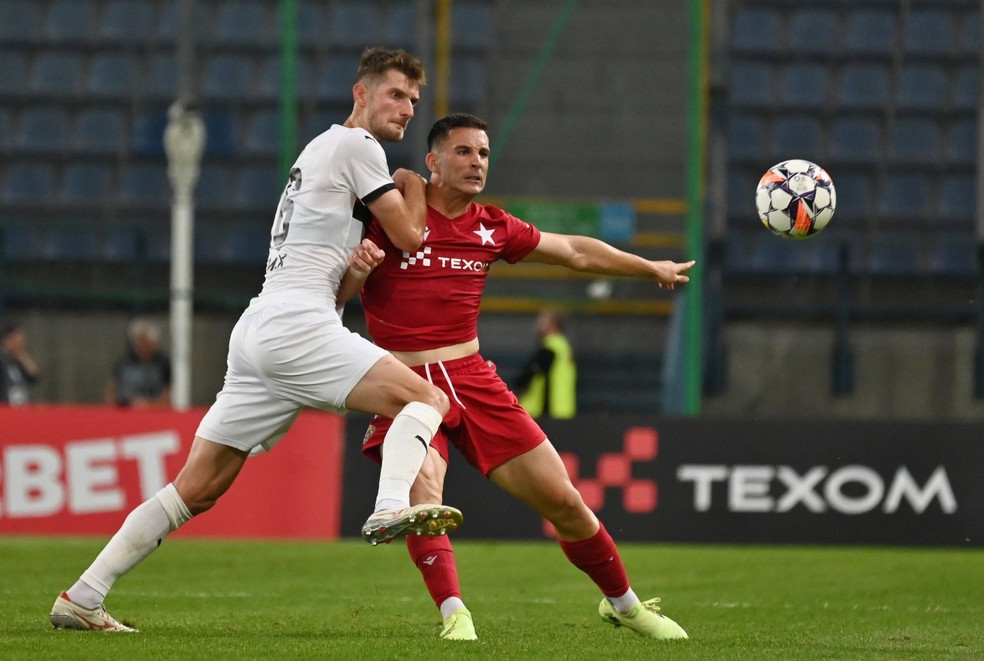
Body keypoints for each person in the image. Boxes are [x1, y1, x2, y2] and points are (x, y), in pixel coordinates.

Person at [49, 47, 464, 633]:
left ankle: (84, 595)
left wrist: (358, 270)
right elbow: (410, 233)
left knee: (198, 487)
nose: (406, 108)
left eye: (414, 100)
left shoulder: (318, 153)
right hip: (295, 325)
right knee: (428, 401)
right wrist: (413, 184)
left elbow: (335, 290)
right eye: (396, 94)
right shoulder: (358, 147)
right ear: (361, 94)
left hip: (265, 327)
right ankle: (391, 505)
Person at [339, 113, 695, 641]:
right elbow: (333, 298)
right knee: (425, 499)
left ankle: (624, 605)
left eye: (483, 153)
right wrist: (358, 271)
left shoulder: (492, 225)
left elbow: (574, 250)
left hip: (473, 378)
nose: (476, 162)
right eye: (463, 152)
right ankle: (454, 614)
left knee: (565, 501)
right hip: (404, 384)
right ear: (433, 162)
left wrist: (649, 267)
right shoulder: (390, 219)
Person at [514, 307, 576, 419]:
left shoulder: (550, 349)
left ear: (552, 324)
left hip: (548, 411)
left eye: (542, 320)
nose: (538, 323)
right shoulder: (563, 347)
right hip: (564, 409)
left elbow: (527, 376)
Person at [105, 319, 172, 408]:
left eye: (144, 341)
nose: (141, 345)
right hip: (125, 410)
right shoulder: (124, 362)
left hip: (153, 411)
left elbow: (167, 395)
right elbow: (112, 390)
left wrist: (148, 406)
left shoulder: (163, 363)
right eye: (138, 341)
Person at [0, 321, 39, 405]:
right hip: (3, 410)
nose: (22, 345)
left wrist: (22, 355)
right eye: (19, 341)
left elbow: (34, 377)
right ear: (7, 340)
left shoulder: (16, 361)